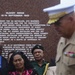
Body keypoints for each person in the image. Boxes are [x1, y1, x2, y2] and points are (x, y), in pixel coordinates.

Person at [43, 0, 75, 75]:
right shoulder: (62, 39)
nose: (55, 27)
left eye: (58, 23)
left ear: (71, 19)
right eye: (53, 24)